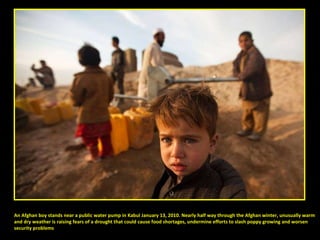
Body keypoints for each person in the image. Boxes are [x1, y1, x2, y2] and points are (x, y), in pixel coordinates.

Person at [149, 85, 247, 199]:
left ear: (212, 143)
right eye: (167, 139)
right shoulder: (168, 177)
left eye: (189, 140)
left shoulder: (215, 194)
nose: (175, 153)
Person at [70, 44, 114, 163]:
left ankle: (95, 157)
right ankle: (106, 154)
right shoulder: (106, 77)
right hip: (104, 115)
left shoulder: (80, 79)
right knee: (105, 137)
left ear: (81, 61)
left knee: (90, 140)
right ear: (98, 59)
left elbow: (75, 100)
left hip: (88, 117)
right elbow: (110, 96)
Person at [233, 31, 273, 141]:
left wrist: (240, 76)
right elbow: (235, 65)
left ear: (251, 41)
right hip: (248, 89)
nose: (243, 43)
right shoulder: (242, 54)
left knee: (259, 112)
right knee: (247, 111)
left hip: (259, 90)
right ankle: (247, 129)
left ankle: (258, 133)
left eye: (246, 40)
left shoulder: (255, 54)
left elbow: (250, 71)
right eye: (241, 41)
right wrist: (237, 74)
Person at [137, 28, 166, 101]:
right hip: (149, 85)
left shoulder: (151, 46)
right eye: (162, 37)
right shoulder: (154, 47)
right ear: (156, 36)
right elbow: (157, 67)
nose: (163, 39)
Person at [111, 36, 126, 101]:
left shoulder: (121, 52)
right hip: (113, 70)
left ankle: (121, 100)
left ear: (115, 42)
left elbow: (122, 62)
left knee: (120, 86)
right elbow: (112, 63)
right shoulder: (113, 53)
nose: (111, 43)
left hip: (119, 70)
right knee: (111, 85)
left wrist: (119, 70)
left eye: (112, 42)